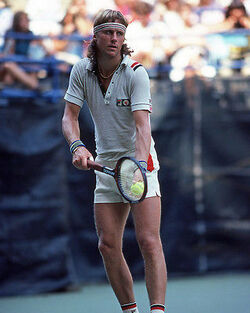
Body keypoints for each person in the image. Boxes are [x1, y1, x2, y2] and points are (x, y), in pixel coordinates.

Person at [62, 9, 167, 313]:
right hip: (106, 167)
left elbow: (142, 127)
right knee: (107, 245)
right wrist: (77, 146)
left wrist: (136, 168)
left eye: (120, 34)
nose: (114, 39)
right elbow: (69, 117)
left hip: (140, 166)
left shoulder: (136, 72)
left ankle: (158, 310)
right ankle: (130, 310)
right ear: (95, 37)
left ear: (125, 40)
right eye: (108, 32)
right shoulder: (80, 70)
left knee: (149, 242)